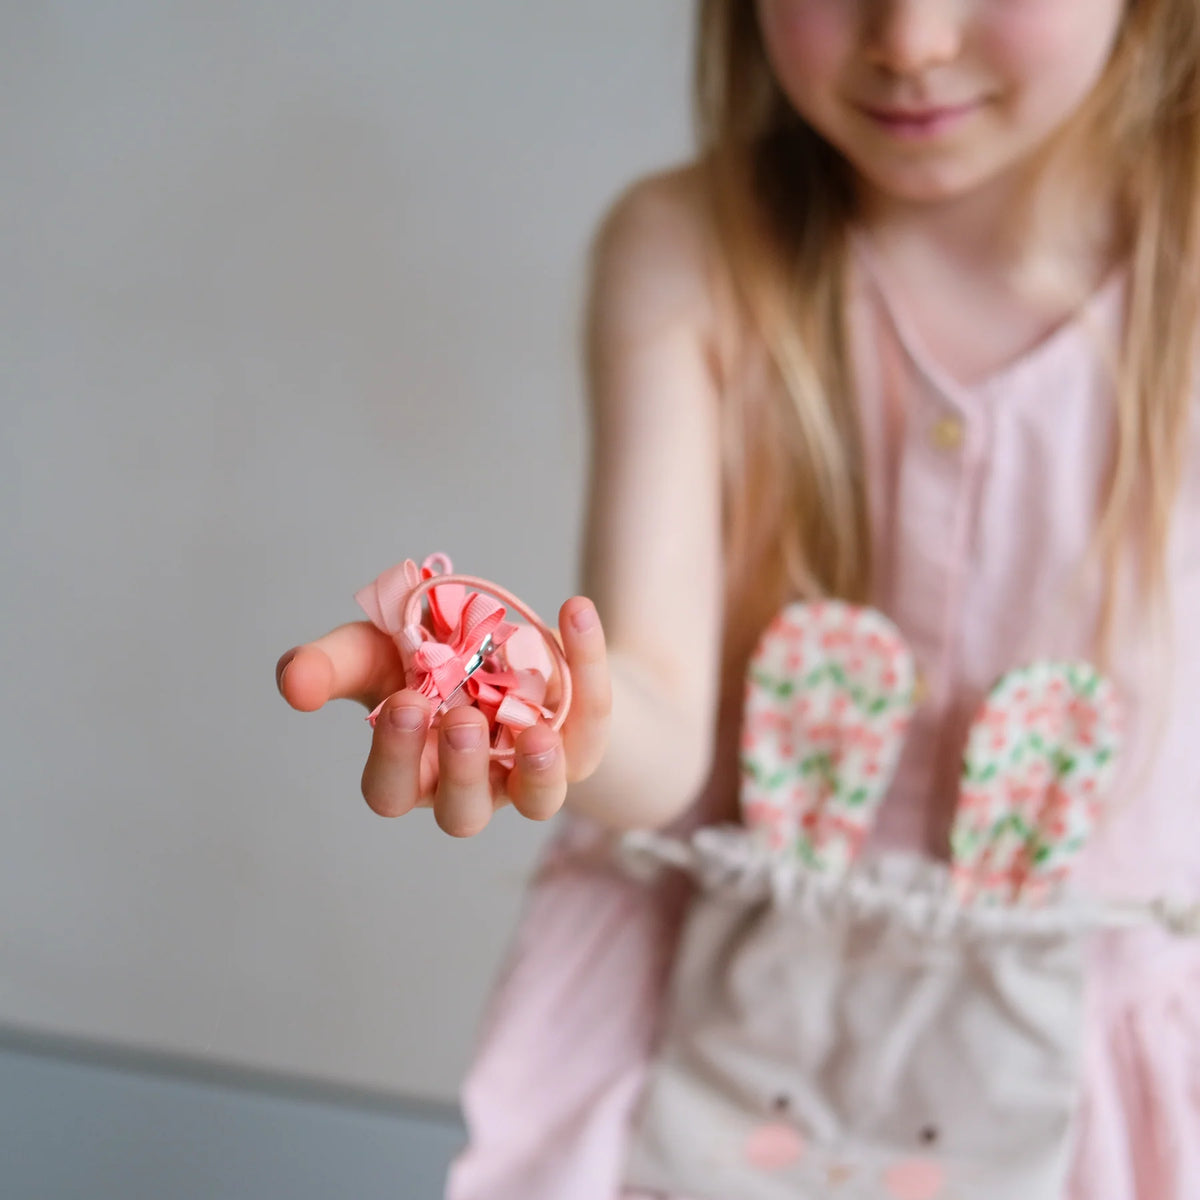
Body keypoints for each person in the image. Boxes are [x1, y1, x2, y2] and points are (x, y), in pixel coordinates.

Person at [276, 2, 1200, 1196]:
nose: (911, 39)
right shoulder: (689, 248)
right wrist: (549, 703)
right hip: (712, 1050)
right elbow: (658, 737)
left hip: (1093, 1094)